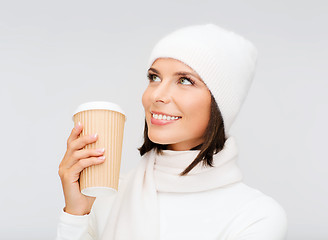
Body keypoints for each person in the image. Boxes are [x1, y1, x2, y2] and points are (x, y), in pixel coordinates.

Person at [56, 23, 288, 240]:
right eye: (154, 77)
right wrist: (76, 214)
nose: (157, 95)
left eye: (185, 81)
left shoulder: (256, 215)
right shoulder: (106, 196)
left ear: (221, 104)